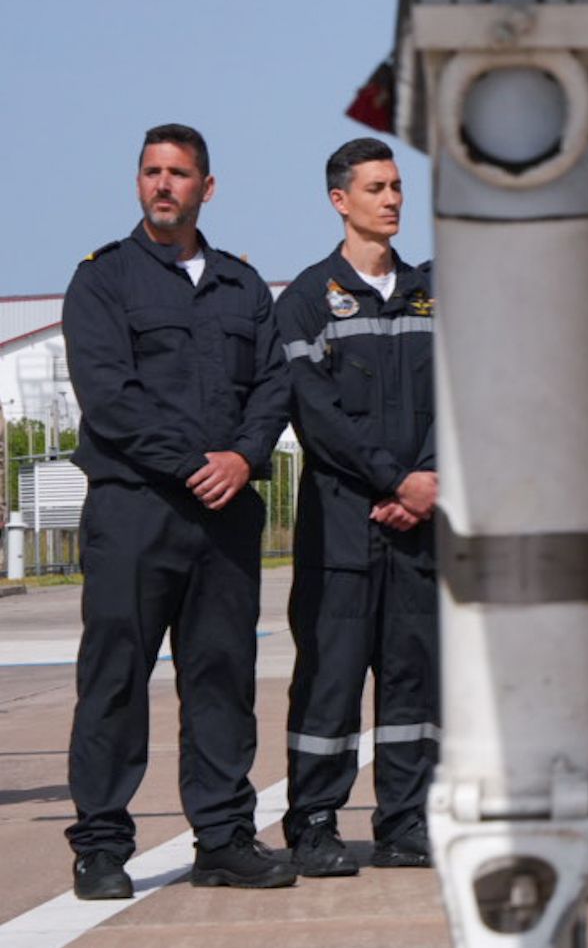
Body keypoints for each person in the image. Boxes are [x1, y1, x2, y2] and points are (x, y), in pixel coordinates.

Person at [63, 123, 295, 899]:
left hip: (225, 515)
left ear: (207, 187)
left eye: (180, 173)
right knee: (116, 679)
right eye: (152, 172)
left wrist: (245, 457)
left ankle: (225, 838)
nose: (164, 184)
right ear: (139, 183)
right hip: (135, 509)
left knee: (222, 676)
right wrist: (197, 461)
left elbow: (272, 386)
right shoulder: (103, 279)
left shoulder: (242, 286)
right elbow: (111, 395)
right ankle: (100, 846)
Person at [275, 137, 440, 876]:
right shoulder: (309, 298)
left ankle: (406, 822)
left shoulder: (434, 291)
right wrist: (391, 480)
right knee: (331, 682)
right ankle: (314, 822)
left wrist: (429, 477)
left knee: (414, 680)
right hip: (341, 529)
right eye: (376, 187)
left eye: (398, 185)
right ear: (340, 200)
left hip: (421, 528)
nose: (393, 198)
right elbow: (316, 412)